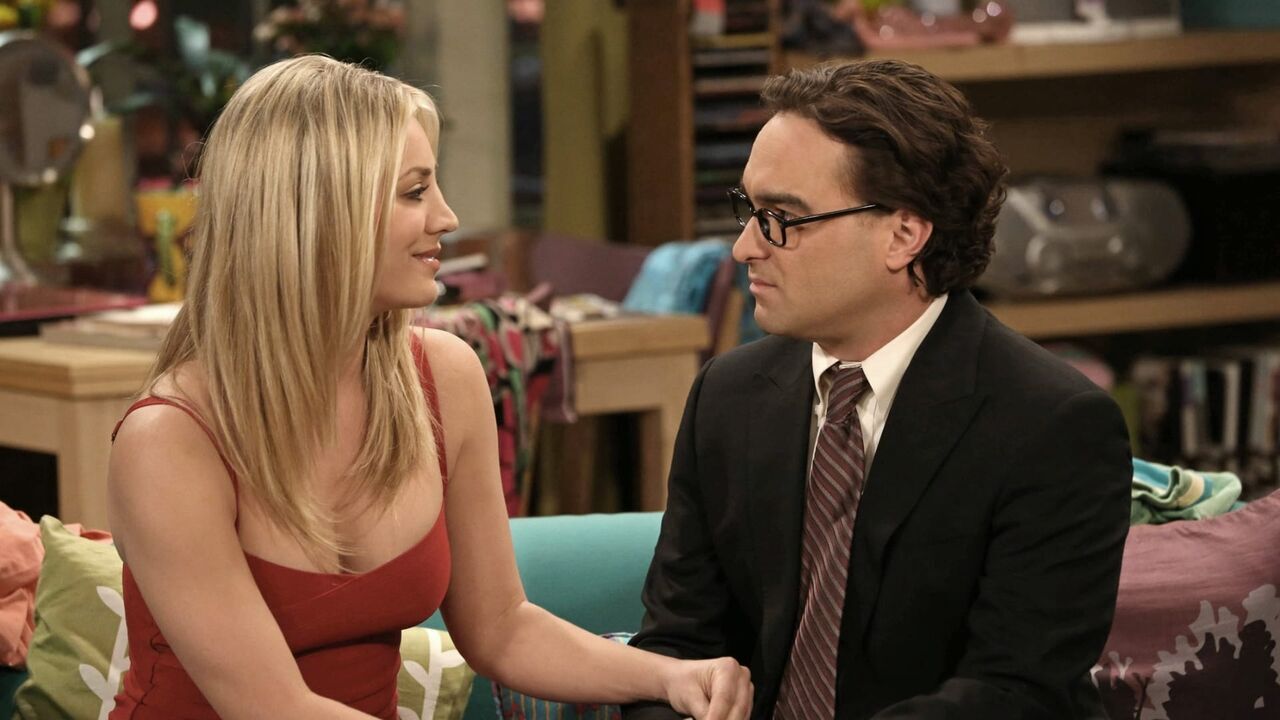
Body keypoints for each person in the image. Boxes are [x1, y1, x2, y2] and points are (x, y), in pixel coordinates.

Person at [105, 55, 752, 720]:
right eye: (414, 192)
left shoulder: (444, 377)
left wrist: (670, 676)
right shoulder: (170, 438)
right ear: (319, 212)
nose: (446, 217)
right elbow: (274, 707)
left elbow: (502, 627)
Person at [624, 59, 1132, 720]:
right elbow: (675, 650)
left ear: (903, 235)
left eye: (782, 217)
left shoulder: (1053, 425)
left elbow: (1013, 692)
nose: (745, 247)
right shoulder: (728, 396)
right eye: (748, 210)